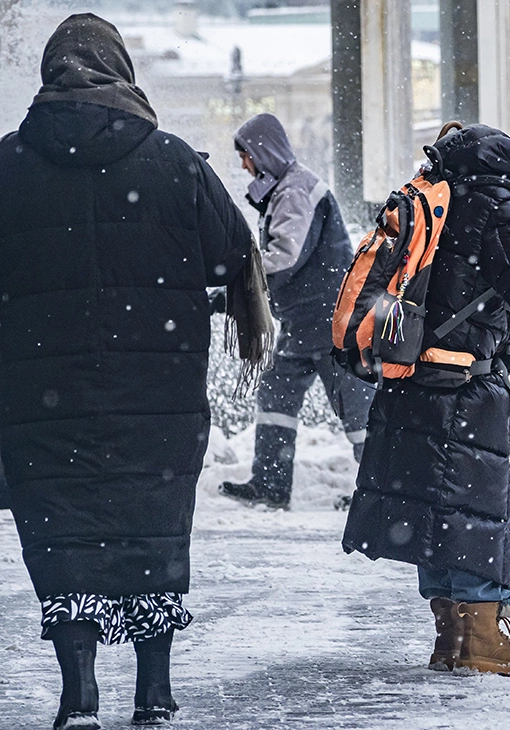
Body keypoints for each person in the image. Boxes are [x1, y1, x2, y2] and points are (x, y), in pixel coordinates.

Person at [0, 14, 269, 729]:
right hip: (157, 395)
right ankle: (154, 692)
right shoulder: (176, 162)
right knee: (151, 531)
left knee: (63, 535)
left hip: (39, 395)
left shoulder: (6, 165)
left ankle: (79, 695)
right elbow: (229, 258)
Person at [340, 83, 510, 676]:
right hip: (461, 382)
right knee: (474, 510)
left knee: (441, 511)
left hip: (419, 371)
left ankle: (452, 638)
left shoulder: (463, 180)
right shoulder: (501, 196)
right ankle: (485, 641)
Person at [218, 113, 374, 510]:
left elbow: (284, 258)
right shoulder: (283, 189)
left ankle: (378, 494)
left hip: (330, 323)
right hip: (304, 322)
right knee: (276, 397)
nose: (243, 165)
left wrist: (235, 289)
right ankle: (270, 486)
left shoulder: (296, 190)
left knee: (357, 411)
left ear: (263, 152)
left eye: (245, 155)